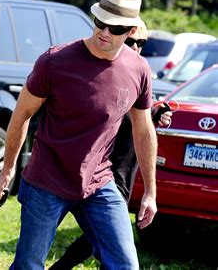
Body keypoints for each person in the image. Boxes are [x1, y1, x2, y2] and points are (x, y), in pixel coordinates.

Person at [0, 0, 158, 269]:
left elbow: (144, 131)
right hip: (47, 180)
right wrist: (6, 172)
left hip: (98, 183)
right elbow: (22, 115)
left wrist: (150, 192)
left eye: (115, 28)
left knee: (126, 265)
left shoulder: (138, 70)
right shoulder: (55, 61)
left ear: (131, 31)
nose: (104, 32)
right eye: (100, 22)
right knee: (28, 265)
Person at [49, 24, 172, 269]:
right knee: (107, 244)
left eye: (142, 43)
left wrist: (154, 114)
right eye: (131, 42)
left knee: (105, 244)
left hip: (125, 171)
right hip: (104, 173)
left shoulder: (139, 71)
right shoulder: (106, 69)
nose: (136, 47)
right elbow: (114, 110)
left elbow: (138, 118)